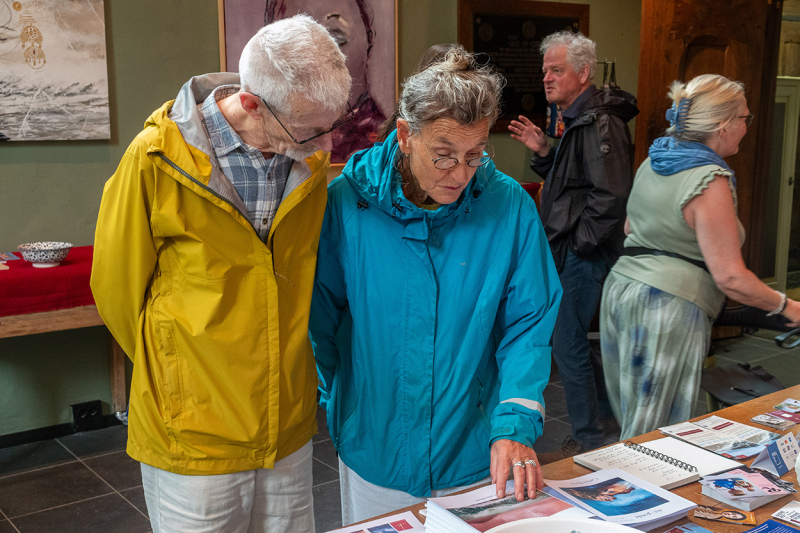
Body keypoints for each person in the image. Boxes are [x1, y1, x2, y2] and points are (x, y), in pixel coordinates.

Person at [90, 15, 351, 533]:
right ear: (251, 102)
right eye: (307, 130)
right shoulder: (155, 158)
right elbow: (116, 290)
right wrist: (179, 378)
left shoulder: (307, 163)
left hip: (287, 425)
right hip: (194, 432)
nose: (323, 147)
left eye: (328, 127)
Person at [309, 46, 562, 524]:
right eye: (444, 156)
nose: (461, 175)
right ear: (406, 135)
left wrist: (515, 423)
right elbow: (321, 318)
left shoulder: (508, 207)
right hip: (374, 446)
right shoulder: (345, 205)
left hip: (474, 446)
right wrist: (342, 401)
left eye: (475, 155)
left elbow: (529, 323)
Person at [599, 74, 800, 440]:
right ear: (723, 127)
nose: (746, 125)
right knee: (654, 434)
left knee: (635, 421)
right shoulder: (709, 178)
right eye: (744, 118)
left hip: (621, 292)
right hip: (665, 308)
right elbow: (731, 278)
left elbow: (631, 227)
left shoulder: (655, 161)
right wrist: (789, 307)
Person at [508, 31, 638, 462]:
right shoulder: (577, 119)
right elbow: (574, 186)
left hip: (584, 254)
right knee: (572, 342)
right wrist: (545, 152)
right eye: (545, 69)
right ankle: (605, 421)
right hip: (572, 249)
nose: (546, 77)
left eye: (556, 69)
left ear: (583, 73)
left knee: (566, 344)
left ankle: (589, 439)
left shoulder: (601, 121)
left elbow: (610, 196)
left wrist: (579, 245)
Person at [266, 0, 386, 163]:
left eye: (336, 40)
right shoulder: (268, 150)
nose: (314, 63)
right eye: (294, 48)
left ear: (369, 40)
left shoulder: (383, 149)